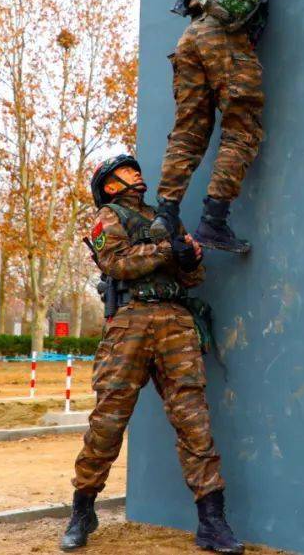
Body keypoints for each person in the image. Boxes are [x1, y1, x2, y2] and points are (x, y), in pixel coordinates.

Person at [60, 154, 244, 554]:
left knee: (194, 421)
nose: (136, 172)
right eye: (126, 170)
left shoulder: (167, 217)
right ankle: (82, 510)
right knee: (109, 420)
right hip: (130, 323)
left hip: (176, 322)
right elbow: (117, 263)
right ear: (109, 185)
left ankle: (212, 521)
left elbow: (193, 277)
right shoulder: (110, 216)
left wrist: (190, 258)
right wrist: (166, 251)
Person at [155, 0, 304, 254]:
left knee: (188, 132)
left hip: (191, 37)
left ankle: (164, 215)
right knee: (242, 128)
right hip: (224, 36)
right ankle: (213, 221)